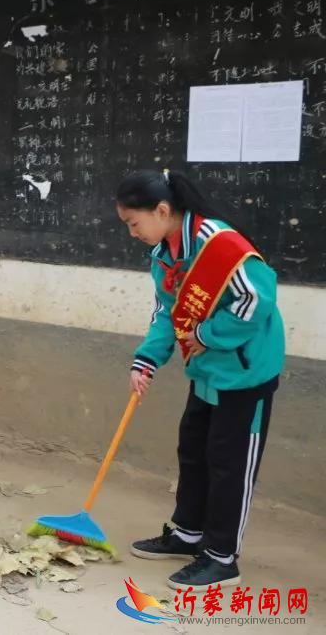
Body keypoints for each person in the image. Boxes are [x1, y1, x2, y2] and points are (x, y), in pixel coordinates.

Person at [118, 169, 285, 590]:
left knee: (231, 464)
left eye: (134, 223)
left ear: (162, 210)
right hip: (207, 370)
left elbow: (258, 299)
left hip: (245, 373)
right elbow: (167, 313)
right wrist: (146, 361)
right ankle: (189, 533)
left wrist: (207, 335)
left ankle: (222, 557)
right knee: (193, 450)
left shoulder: (218, 243)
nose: (132, 234)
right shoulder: (165, 254)